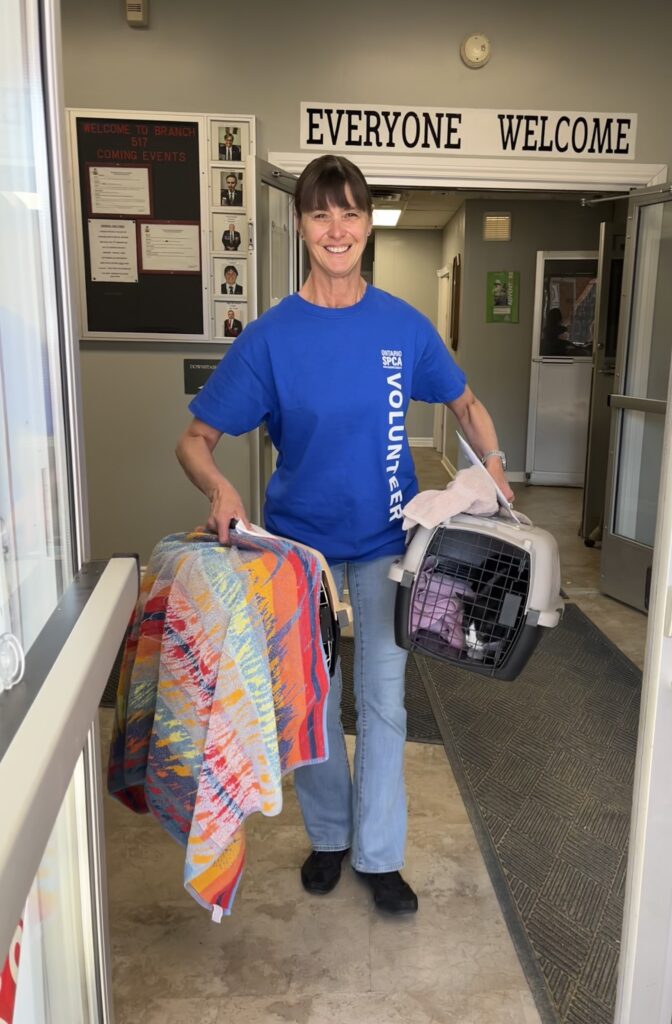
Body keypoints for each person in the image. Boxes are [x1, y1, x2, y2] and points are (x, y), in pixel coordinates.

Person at [176, 154, 512, 917]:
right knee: (316, 703)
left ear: (365, 225)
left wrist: (490, 461)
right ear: (301, 225)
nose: (338, 229)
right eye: (322, 214)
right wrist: (222, 486)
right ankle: (330, 837)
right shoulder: (270, 338)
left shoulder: (401, 324)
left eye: (352, 213)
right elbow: (194, 440)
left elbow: (465, 403)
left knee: (385, 699)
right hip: (302, 553)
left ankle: (379, 854)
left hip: (390, 542)